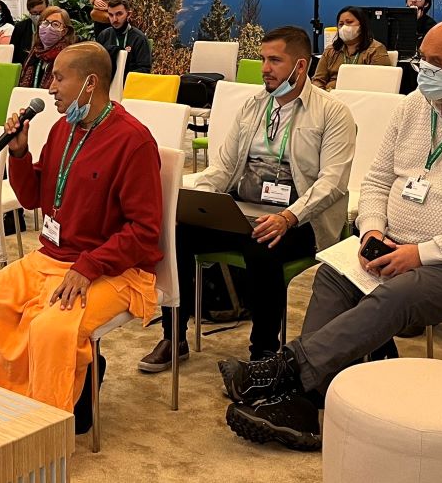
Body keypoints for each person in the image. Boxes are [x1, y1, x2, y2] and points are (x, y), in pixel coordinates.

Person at [221, 19, 442, 451]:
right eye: (421, 61)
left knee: (399, 294)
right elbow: (375, 182)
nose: (422, 72)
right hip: (397, 243)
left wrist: (422, 254)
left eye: (434, 64)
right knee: (334, 276)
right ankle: (305, 404)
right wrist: (372, 229)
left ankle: (285, 372)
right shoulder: (416, 107)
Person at [0, 42, 162, 432]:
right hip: (52, 256)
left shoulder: (134, 140)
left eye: (58, 77)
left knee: (50, 328)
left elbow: (145, 232)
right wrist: (19, 154)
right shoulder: (62, 128)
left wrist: (88, 267)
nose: (49, 87)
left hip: (112, 268)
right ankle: (18, 404)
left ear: (90, 83)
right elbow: (33, 197)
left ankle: (47, 427)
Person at [139, 26, 355, 371]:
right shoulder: (253, 107)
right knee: (175, 231)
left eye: (274, 60)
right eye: (262, 59)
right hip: (242, 210)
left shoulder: (333, 113)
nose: (264, 68)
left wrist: (288, 217)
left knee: (262, 245)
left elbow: (332, 183)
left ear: (300, 66)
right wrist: (198, 198)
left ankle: (263, 353)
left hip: (301, 219)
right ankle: (173, 335)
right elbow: (223, 167)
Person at [311, 6, 391, 91]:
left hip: (360, 97)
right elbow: (318, 80)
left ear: (361, 25)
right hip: (330, 97)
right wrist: (323, 96)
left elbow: (382, 83)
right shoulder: (330, 50)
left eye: (349, 22)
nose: (344, 27)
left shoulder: (376, 50)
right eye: (341, 24)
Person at [18, 7, 76, 90]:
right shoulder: (35, 53)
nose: (48, 27)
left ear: (64, 31)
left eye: (55, 24)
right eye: (45, 23)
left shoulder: (67, 58)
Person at [95, 0, 152, 78]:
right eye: (111, 15)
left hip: (130, 85)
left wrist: (122, 76)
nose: (114, 19)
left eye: (119, 14)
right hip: (107, 84)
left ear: (128, 14)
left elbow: (145, 69)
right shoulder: (104, 35)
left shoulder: (139, 38)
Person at [11, 0, 49, 64]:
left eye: (41, 12)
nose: (38, 16)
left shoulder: (53, 27)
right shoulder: (20, 28)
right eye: (34, 13)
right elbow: (13, 55)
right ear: (29, 11)